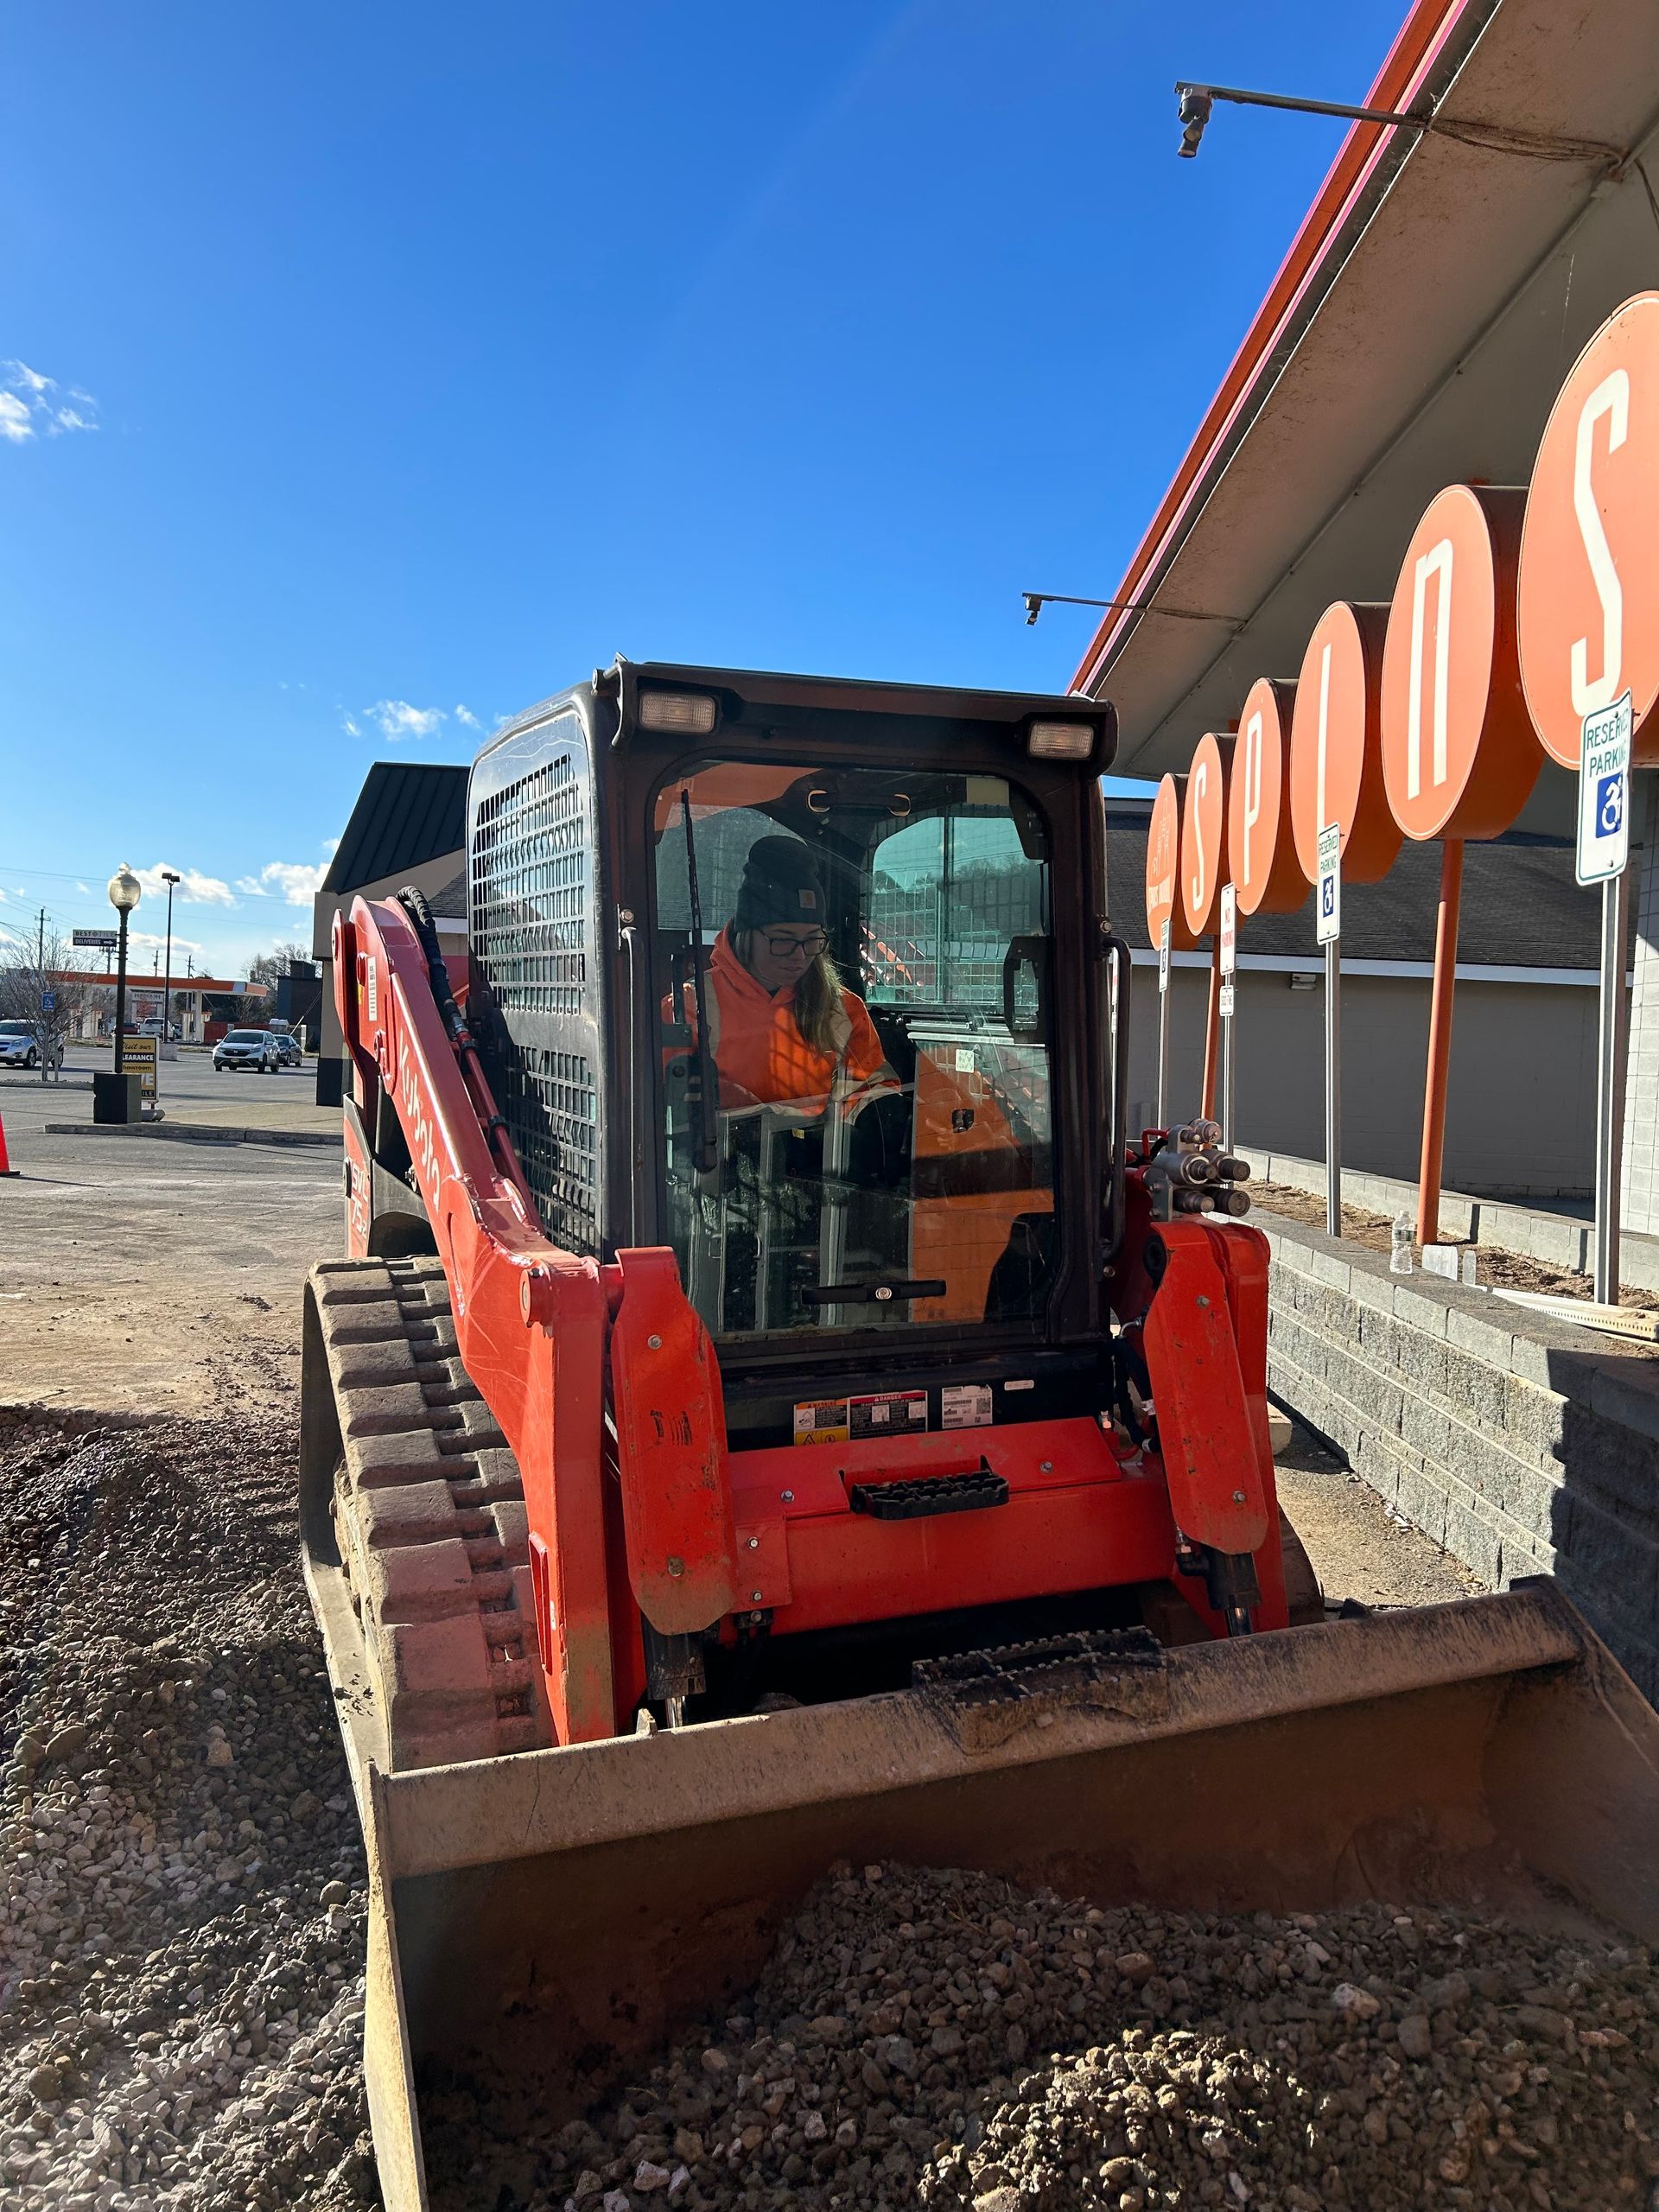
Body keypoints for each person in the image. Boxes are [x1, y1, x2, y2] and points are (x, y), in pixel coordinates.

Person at [679, 836, 898, 1120]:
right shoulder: (690, 1007)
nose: (799, 955)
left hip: (826, 1160)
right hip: (725, 1160)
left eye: (812, 940)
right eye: (783, 940)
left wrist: (871, 1120)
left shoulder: (843, 1008)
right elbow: (670, 1106)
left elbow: (871, 1090)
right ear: (746, 935)